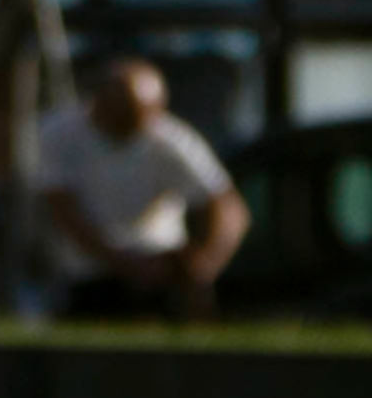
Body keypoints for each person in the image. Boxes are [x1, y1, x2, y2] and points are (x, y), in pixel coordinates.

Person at [34, 55, 250, 322]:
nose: (129, 132)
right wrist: (124, 264)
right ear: (98, 103)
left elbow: (226, 204)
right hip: (85, 275)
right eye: (120, 118)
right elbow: (62, 209)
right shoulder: (57, 134)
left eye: (136, 121)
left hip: (159, 271)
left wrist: (205, 265)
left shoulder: (172, 139)